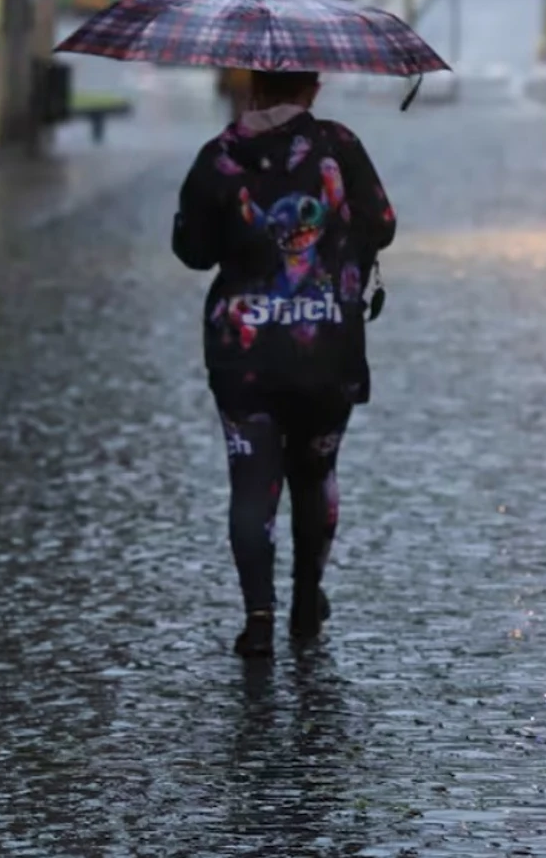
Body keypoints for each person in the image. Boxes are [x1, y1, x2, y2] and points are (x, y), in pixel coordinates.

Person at [172, 69, 396, 658]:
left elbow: (191, 250)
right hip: (326, 345)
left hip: (244, 351)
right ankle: (307, 598)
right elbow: (384, 224)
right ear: (313, 88)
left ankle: (259, 618)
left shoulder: (218, 156)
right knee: (315, 473)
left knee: (252, 480)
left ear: (249, 87)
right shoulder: (339, 147)